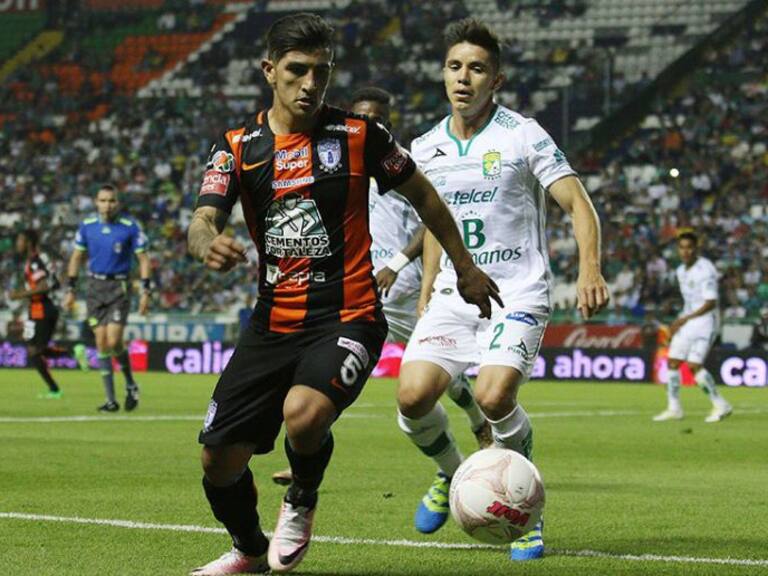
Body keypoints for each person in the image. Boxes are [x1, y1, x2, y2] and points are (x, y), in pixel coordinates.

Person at [186, 14, 500, 575]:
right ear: (269, 71)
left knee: (303, 417)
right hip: (272, 321)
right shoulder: (237, 145)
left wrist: (465, 267)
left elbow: (426, 198)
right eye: (297, 71)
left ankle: (302, 496)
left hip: (349, 314)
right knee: (217, 459)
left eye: (321, 73)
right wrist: (208, 242)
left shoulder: (359, 136)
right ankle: (249, 551)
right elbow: (202, 218)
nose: (310, 84)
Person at [396, 18, 609, 561]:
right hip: (452, 295)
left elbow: (577, 204)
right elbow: (435, 223)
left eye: (477, 68)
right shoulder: (425, 146)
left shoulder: (523, 133)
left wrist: (590, 269)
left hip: (516, 291)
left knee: (493, 396)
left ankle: (527, 511)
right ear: (443, 74)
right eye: (454, 67)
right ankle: (453, 473)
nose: (463, 78)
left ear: (497, 79)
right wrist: (425, 289)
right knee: (412, 399)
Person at [270, 86, 492, 487]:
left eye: (377, 119)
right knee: (320, 371)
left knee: (437, 373)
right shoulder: (334, 160)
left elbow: (431, 222)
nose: (369, 125)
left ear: (390, 123)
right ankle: (304, 455)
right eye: (362, 117)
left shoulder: (402, 162)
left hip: (401, 286)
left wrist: (398, 264)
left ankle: (478, 419)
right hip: (354, 286)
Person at [64, 184, 151, 412]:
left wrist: (145, 292)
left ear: (118, 203)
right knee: (101, 343)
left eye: (111, 200)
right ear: (96, 202)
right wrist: (71, 289)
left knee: (113, 341)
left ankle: (131, 384)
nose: (107, 205)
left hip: (118, 286)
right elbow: (76, 257)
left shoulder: (130, 227)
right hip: (94, 287)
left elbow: (143, 260)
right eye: (103, 200)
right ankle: (111, 400)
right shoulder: (87, 226)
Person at [653, 229, 732, 423]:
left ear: (696, 248)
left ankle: (721, 405)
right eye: (682, 248)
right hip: (689, 320)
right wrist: (679, 321)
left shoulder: (705, 270)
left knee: (694, 365)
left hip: (706, 322)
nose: (685, 251)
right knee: (672, 361)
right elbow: (690, 302)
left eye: (689, 247)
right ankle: (674, 408)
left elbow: (710, 302)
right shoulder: (680, 271)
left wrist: (682, 320)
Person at [9, 229, 68, 398]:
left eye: (20, 240)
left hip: (42, 308)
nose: (17, 244)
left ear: (28, 242)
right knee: (34, 351)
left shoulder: (35, 261)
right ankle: (55, 388)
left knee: (35, 352)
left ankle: (55, 388)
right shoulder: (38, 259)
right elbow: (50, 282)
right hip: (38, 308)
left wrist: (18, 295)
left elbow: (43, 286)